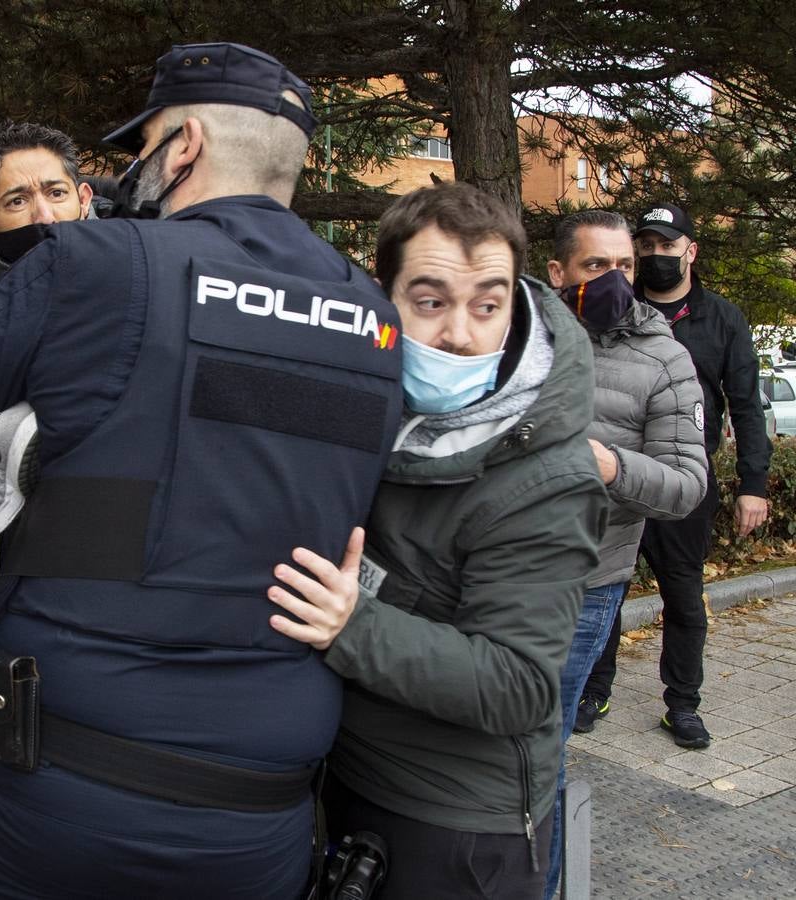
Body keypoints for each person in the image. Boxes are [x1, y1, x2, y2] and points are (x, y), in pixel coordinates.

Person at [0, 42, 402, 899]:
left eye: (146, 144)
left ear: (183, 146)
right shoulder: (376, 321)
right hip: (258, 805)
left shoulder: (93, 261)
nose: (136, 166)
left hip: (51, 780)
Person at [312, 183, 609, 899]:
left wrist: (351, 625)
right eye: (431, 301)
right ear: (385, 298)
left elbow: (520, 684)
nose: (461, 335)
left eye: (488, 305)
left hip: (455, 830)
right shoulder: (377, 408)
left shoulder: (546, 479)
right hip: (348, 775)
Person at [541, 209, 708, 897]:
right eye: (595, 267)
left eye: (625, 266)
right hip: (488, 574)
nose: (614, 280)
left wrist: (611, 465)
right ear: (558, 273)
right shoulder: (516, 332)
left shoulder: (664, 356)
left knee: (537, 751)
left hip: (587, 586)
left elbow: (686, 487)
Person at [578, 203, 772, 750]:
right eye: (647, 247)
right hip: (615, 482)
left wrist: (753, 485)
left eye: (667, 246)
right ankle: (595, 689)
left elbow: (747, 407)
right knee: (605, 591)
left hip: (683, 484)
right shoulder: (619, 312)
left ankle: (682, 703)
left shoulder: (723, 319)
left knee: (684, 598)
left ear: (690, 251)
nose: (656, 256)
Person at [0, 121, 94, 308]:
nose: (45, 217)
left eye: (56, 193)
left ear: (84, 200)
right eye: (17, 201)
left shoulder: (136, 275)